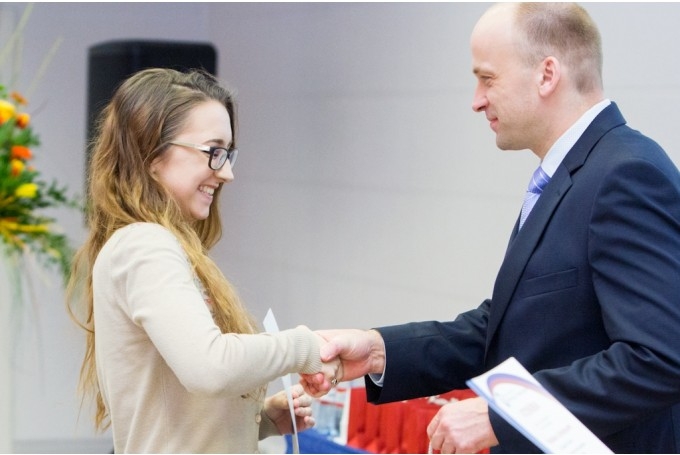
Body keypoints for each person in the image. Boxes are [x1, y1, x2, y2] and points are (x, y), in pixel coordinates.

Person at [302, 3, 680, 454]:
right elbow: (509, 328)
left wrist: (507, 414)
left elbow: (660, 356)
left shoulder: (625, 173)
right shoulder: (571, 174)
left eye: (488, 78)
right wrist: (380, 351)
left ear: (546, 75)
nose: (477, 99)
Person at [67, 68, 337, 453]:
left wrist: (257, 419)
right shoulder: (145, 245)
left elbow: (176, 414)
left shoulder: (156, 244)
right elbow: (210, 367)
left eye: (228, 154)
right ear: (152, 153)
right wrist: (305, 346)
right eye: (213, 152)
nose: (226, 173)